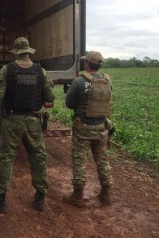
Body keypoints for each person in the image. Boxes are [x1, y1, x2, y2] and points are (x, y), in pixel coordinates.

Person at [0, 37, 55, 213]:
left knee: (6, 158)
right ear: (28, 51)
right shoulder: (41, 71)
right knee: (38, 157)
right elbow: (49, 97)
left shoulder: (7, 69)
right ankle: (40, 197)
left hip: (12, 120)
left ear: (16, 52)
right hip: (33, 121)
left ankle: (0, 200)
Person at [63, 51, 113, 207]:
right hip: (102, 128)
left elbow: (69, 104)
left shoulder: (79, 82)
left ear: (87, 64)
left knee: (79, 160)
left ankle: (77, 196)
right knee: (102, 161)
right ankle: (106, 195)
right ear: (99, 65)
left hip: (83, 128)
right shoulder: (108, 81)